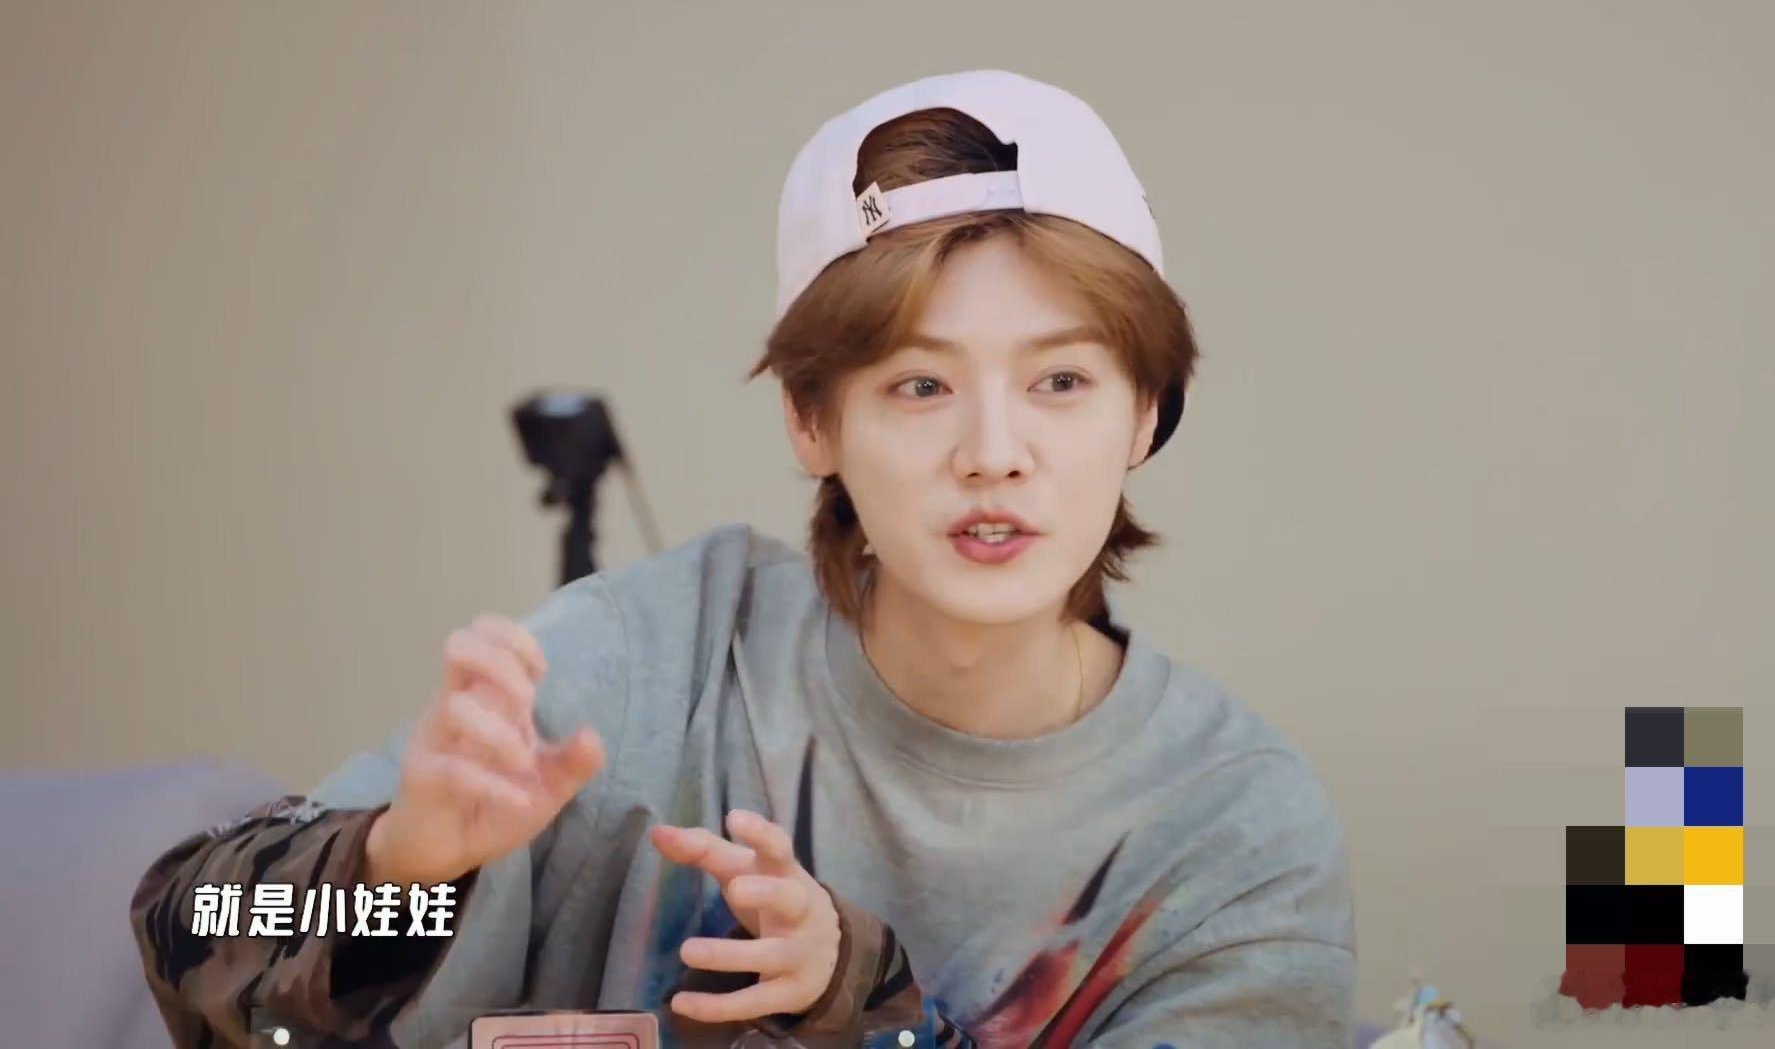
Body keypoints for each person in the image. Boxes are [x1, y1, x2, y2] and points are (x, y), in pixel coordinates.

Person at [130, 69, 1355, 1048]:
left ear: (1147, 413)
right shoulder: (642, 663)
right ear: (812, 422)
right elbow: (192, 921)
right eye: (921, 385)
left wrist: (858, 1001)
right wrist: (393, 867)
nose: (995, 453)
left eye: (1062, 381)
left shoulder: (1234, 834)